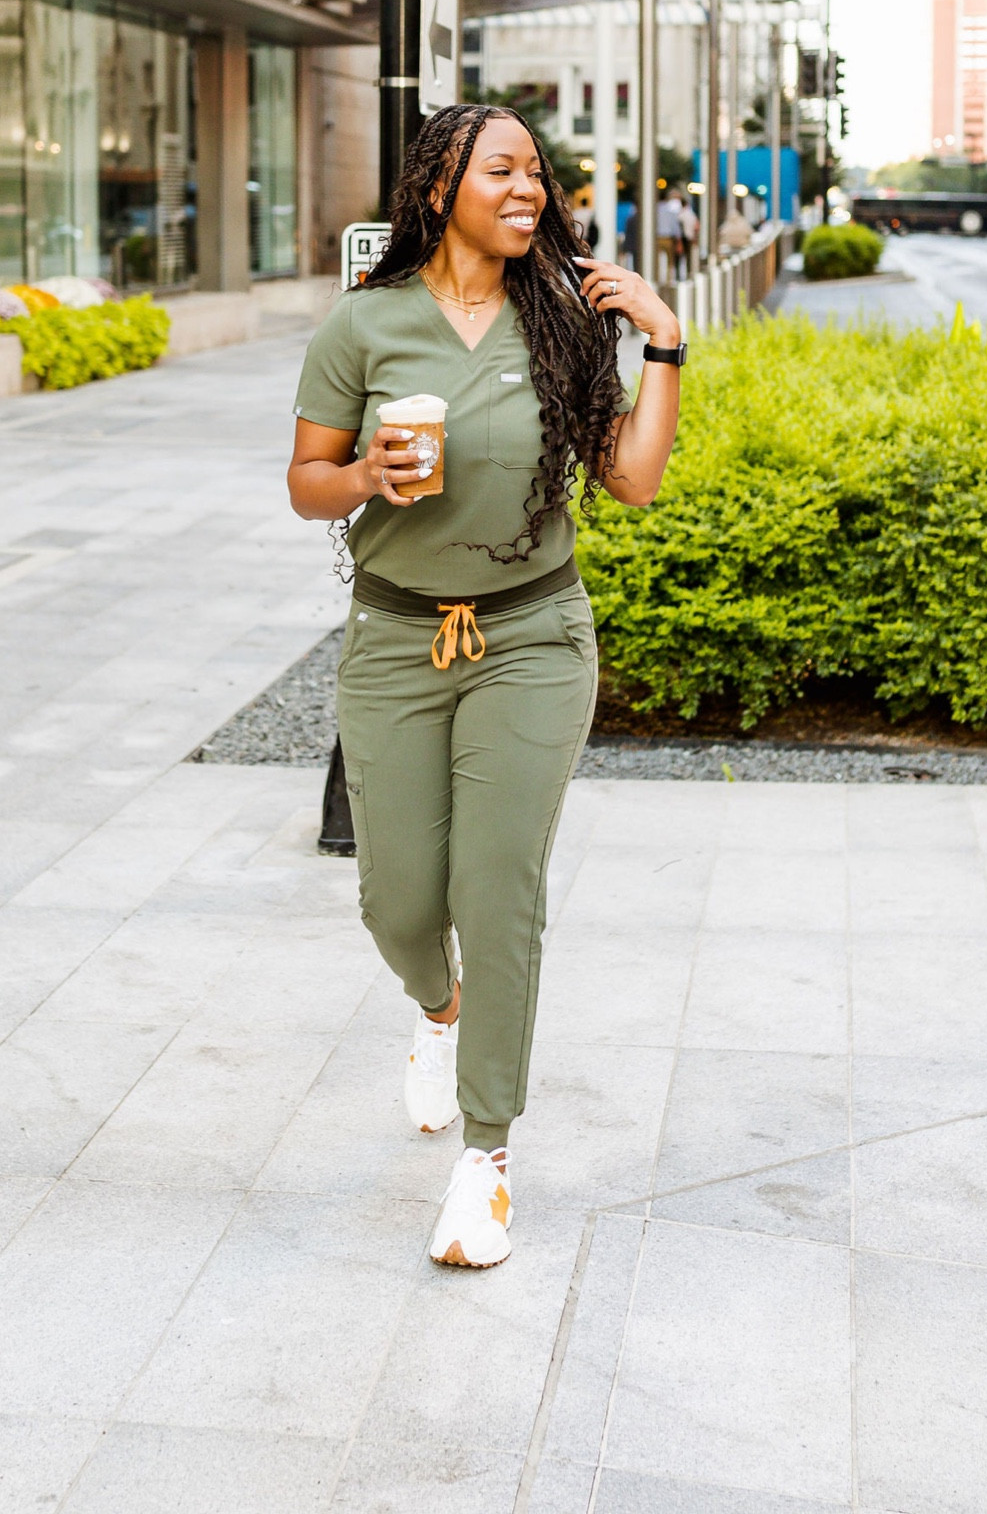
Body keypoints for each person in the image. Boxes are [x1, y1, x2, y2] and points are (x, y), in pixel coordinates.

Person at [288, 104, 682, 1268]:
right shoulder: (364, 326)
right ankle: (437, 1008)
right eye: (499, 167)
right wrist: (364, 470)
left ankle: (486, 1158)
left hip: (531, 637)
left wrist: (661, 339)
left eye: (536, 173)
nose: (527, 187)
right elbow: (307, 481)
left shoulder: (561, 318)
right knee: (399, 902)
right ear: (438, 184)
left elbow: (632, 480)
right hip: (396, 637)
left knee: (495, 886)